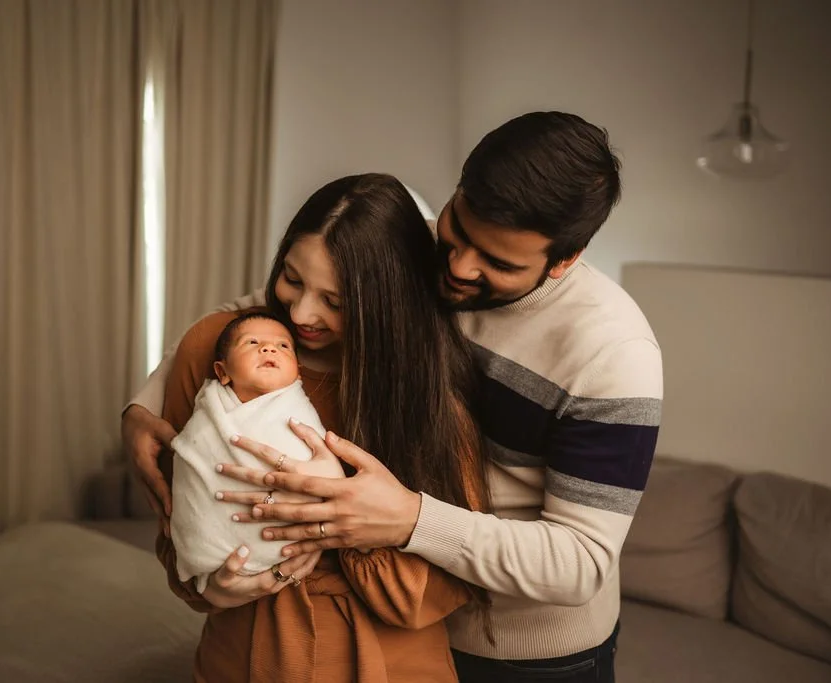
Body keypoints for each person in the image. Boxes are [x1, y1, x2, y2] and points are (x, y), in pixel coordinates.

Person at [125, 111, 664, 682]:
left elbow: (581, 562)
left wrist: (407, 519)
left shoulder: (614, 355)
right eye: (458, 230)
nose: (457, 267)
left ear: (564, 259)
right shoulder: (413, 250)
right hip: (399, 620)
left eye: (497, 262)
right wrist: (144, 404)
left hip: (526, 649)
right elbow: (260, 316)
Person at [148, 173, 490, 682]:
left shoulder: (426, 395)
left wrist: (342, 514)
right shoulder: (216, 348)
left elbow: (441, 587)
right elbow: (178, 519)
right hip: (241, 653)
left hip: (390, 661)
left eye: (336, 301)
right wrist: (206, 588)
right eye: (292, 277)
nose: (302, 312)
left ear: (386, 305)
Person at [168, 312, 345, 591]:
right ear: (222, 372)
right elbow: (193, 456)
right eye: (252, 343)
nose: (269, 348)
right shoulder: (211, 413)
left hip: (292, 547)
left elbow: (324, 466)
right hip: (220, 548)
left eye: (283, 346)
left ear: (297, 372)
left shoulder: (297, 411)